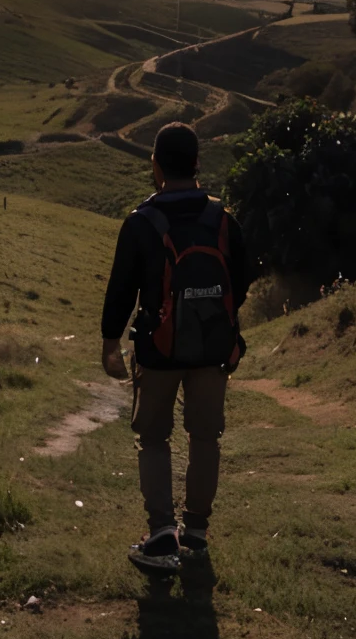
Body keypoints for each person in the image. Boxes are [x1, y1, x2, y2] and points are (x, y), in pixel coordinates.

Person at [101, 121, 251, 573]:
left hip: (157, 348)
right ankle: (198, 533)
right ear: (197, 163)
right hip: (212, 350)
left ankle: (163, 532)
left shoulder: (141, 222)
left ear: (156, 165)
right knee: (205, 437)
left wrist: (111, 343)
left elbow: (121, 289)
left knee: (153, 438)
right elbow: (241, 278)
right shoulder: (223, 218)